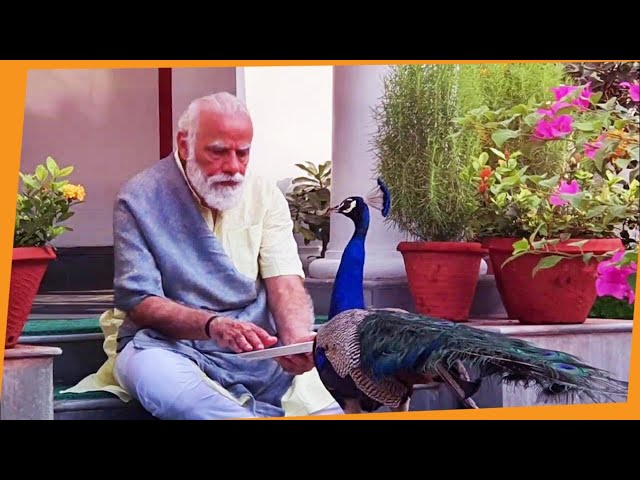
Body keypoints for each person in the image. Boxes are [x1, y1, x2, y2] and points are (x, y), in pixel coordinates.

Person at [107, 91, 342, 419]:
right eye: (218, 152)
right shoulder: (139, 197)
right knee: (179, 395)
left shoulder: (263, 193)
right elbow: (141, 302)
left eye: (242, 153)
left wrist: (294, 339)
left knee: (328, 408)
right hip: (167, 345)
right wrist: (213, 325)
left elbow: (285, 281)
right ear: (185, 144)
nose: (233, 167)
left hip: (259, 347)